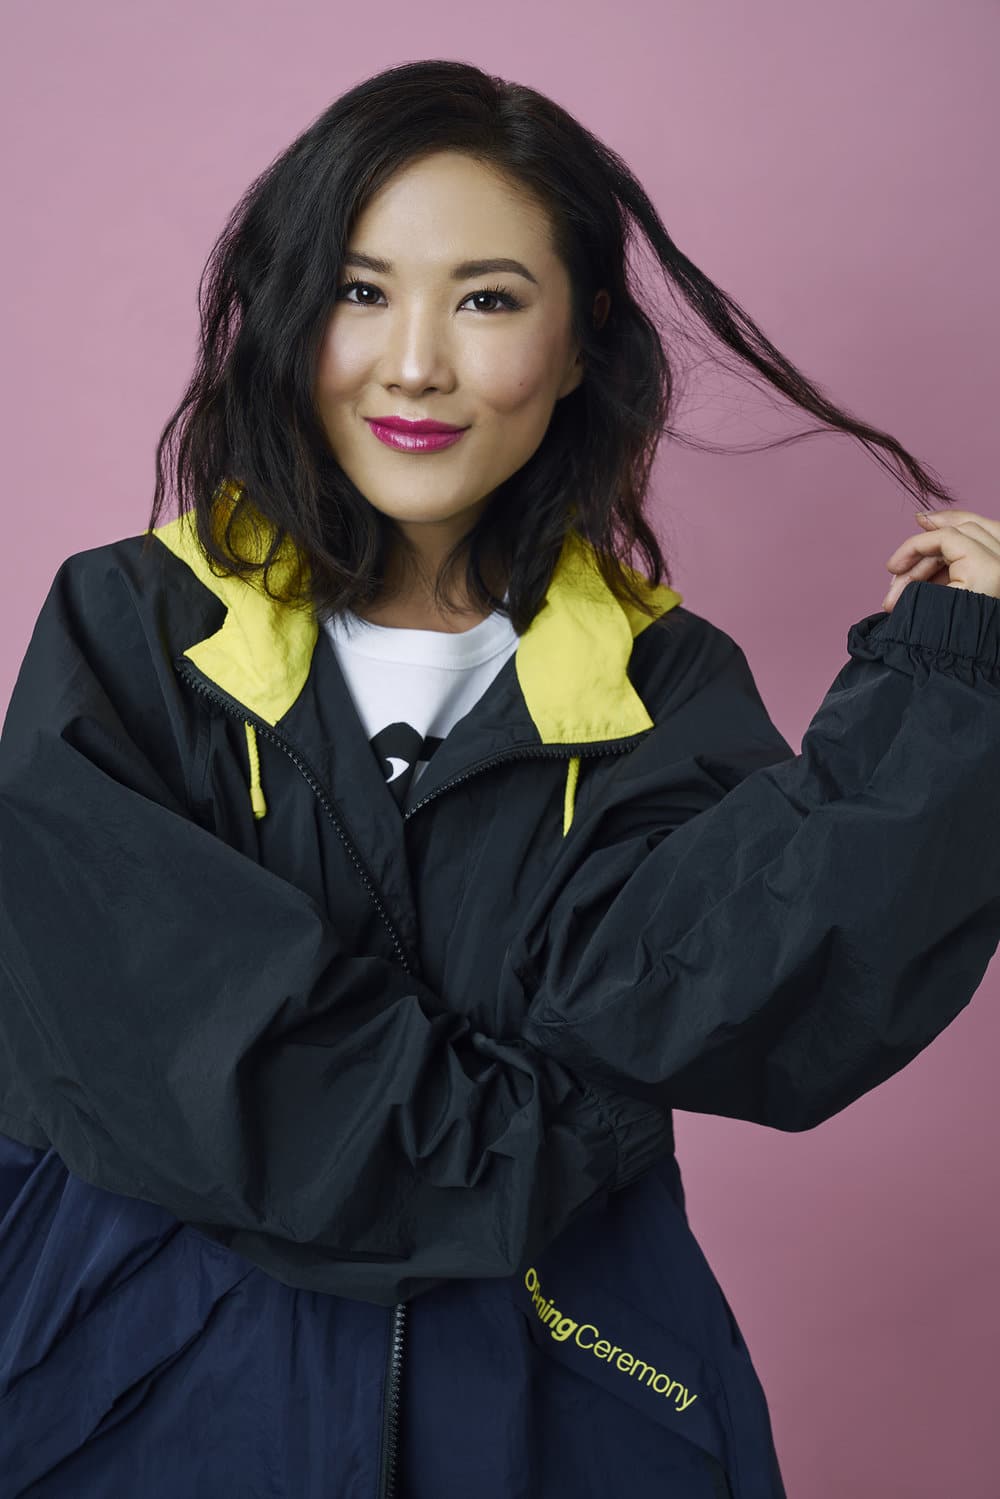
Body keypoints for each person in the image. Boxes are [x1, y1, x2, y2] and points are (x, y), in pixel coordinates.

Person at [1, 57, 997, 1499]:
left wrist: (949, 692)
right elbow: (184, 1062)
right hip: (143, 1413)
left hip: (568, 1419)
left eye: (486, 300)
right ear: (284, 316)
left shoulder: (660, 683)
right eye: (360, 291)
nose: (414, 363)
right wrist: (564, 1129)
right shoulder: (132, 632)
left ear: (581, 343)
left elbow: (752, 1002)